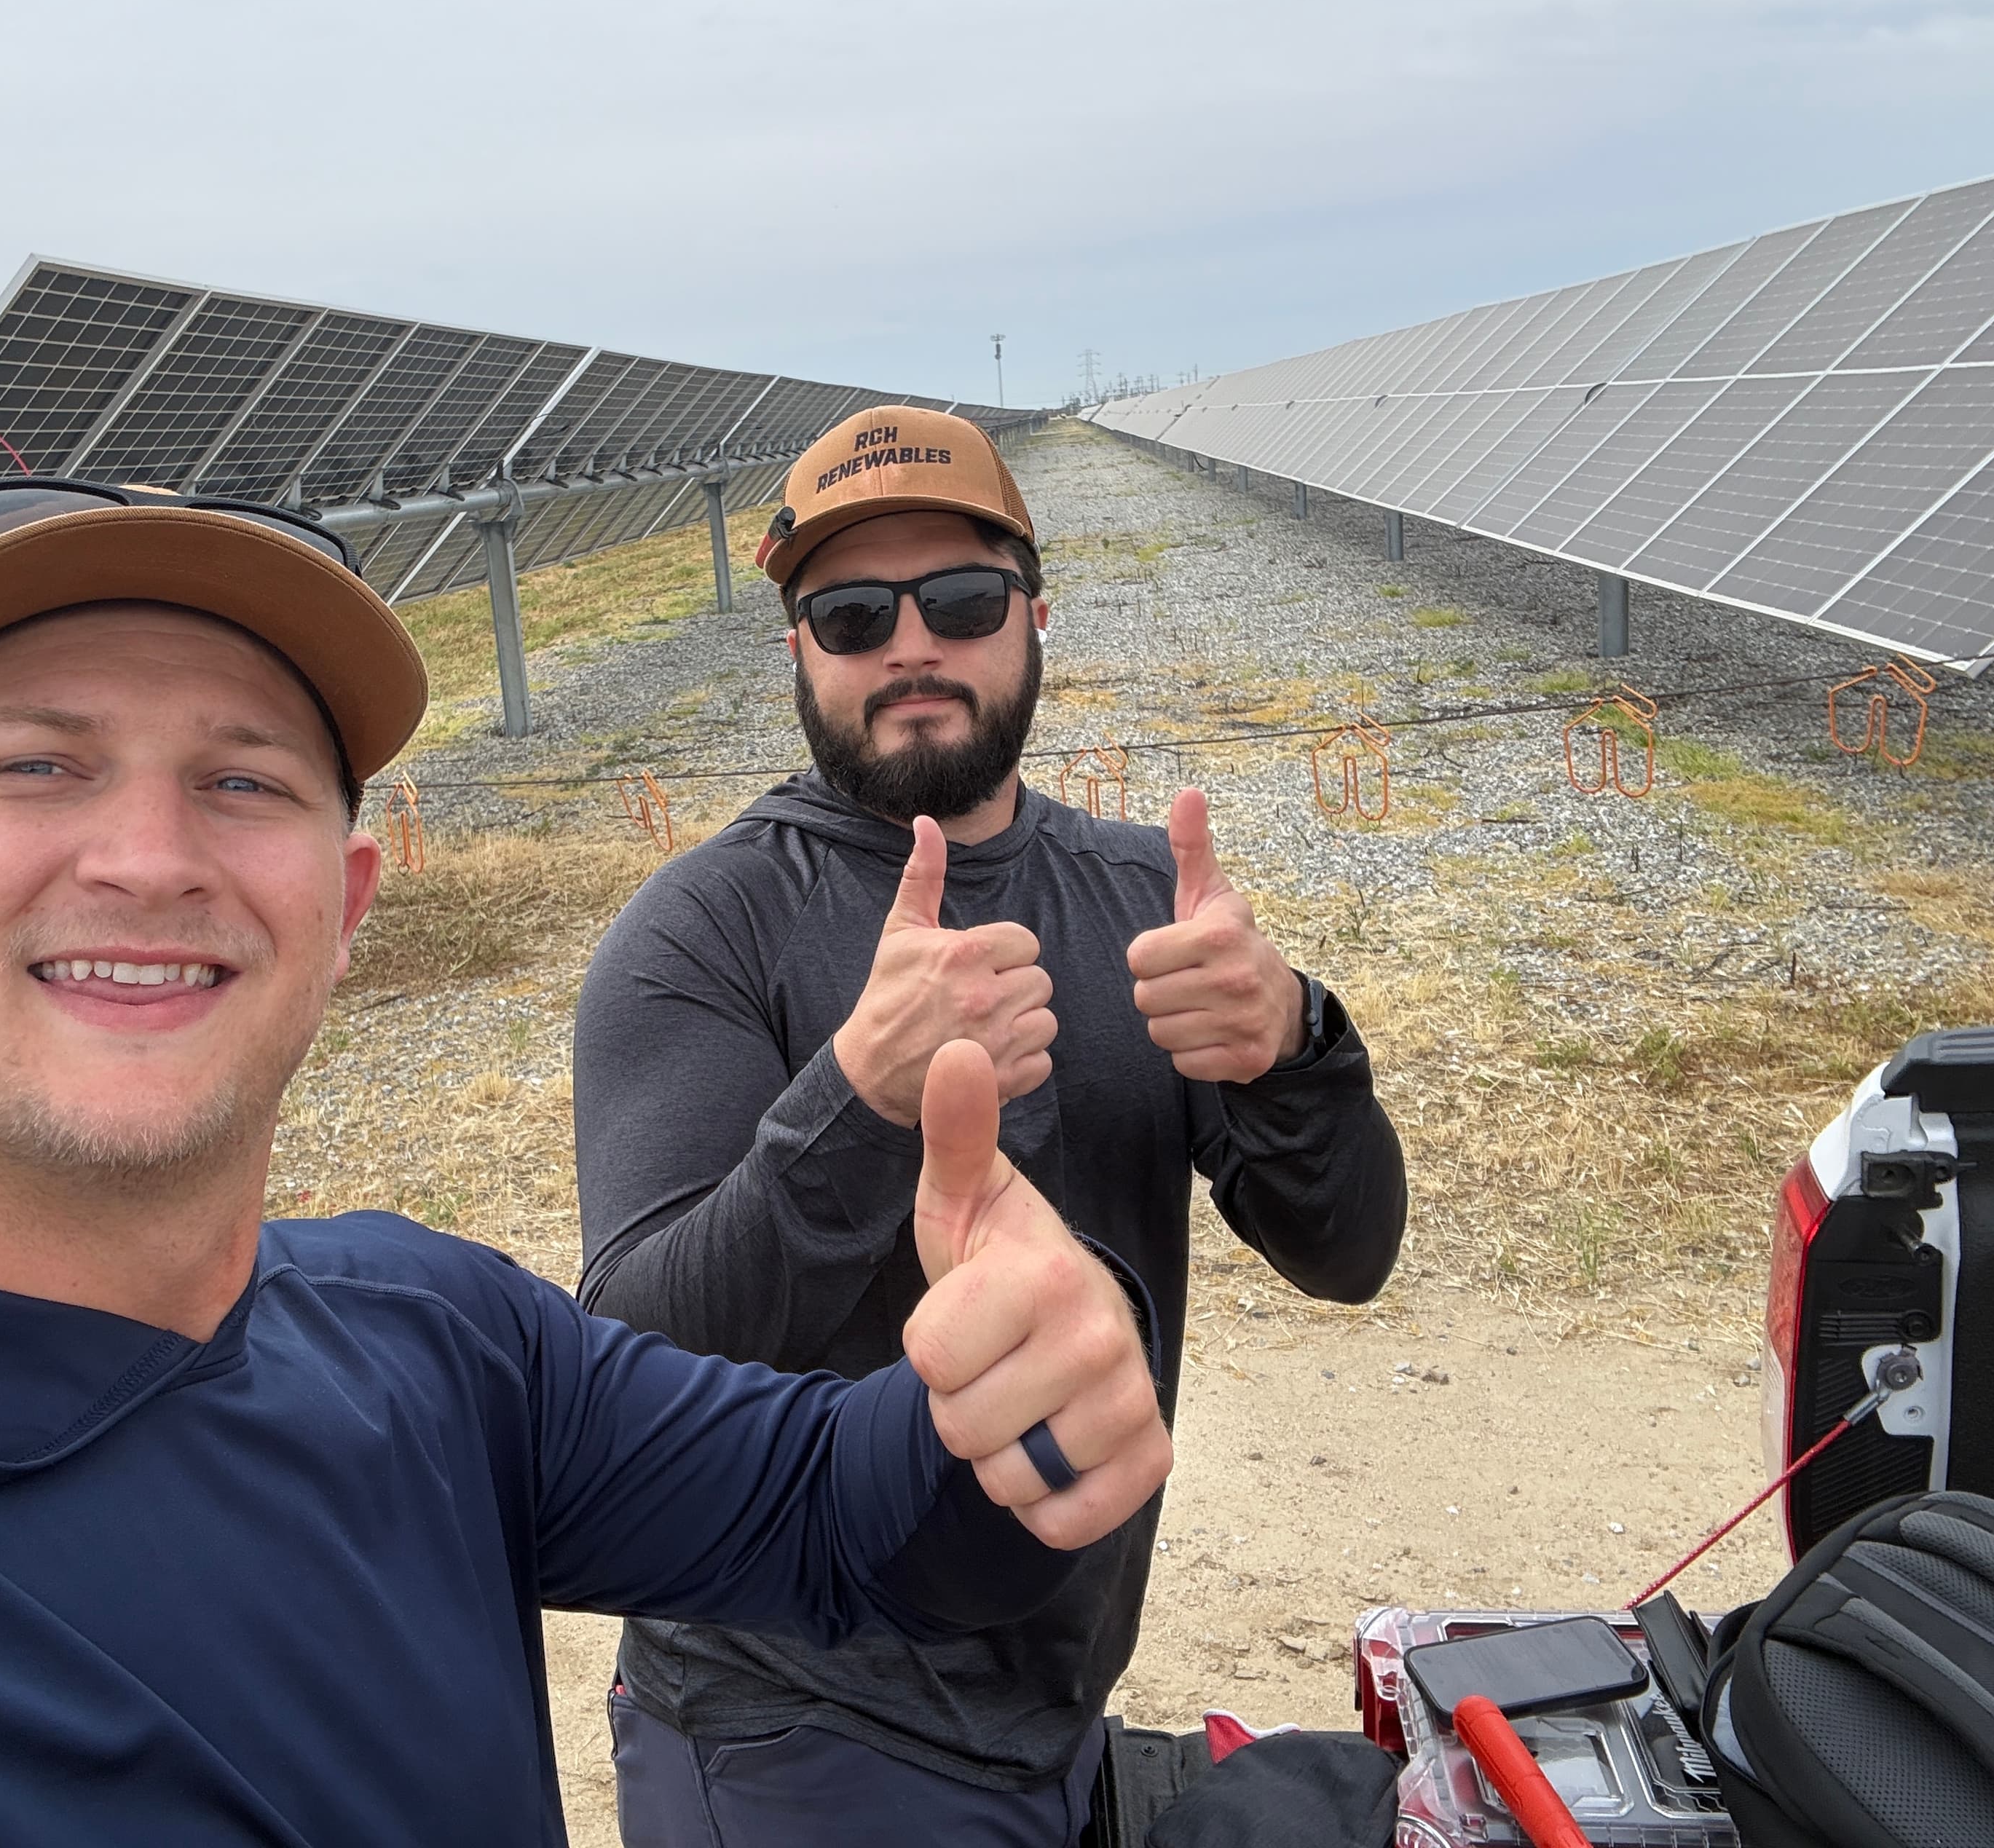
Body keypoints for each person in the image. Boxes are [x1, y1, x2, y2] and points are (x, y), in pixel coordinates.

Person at [0, 477, 1175, 1846]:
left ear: (340, 913)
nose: (146, 857)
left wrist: (1027, 1399)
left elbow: (848, 1518)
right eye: (38, 761)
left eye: (245, 781)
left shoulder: (434, 1343)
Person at [575, 407, 1408, 1845]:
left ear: (1031, 617)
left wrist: (1295, 1043)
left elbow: (1348, 1254)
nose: (910, 646)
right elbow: (635, 1361)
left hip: (1054, 1697)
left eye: (957, 601)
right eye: (850, 614)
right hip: (791, 1727)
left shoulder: (1142, 894)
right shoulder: (703, 929)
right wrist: (855, 1098)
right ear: (797, 651)